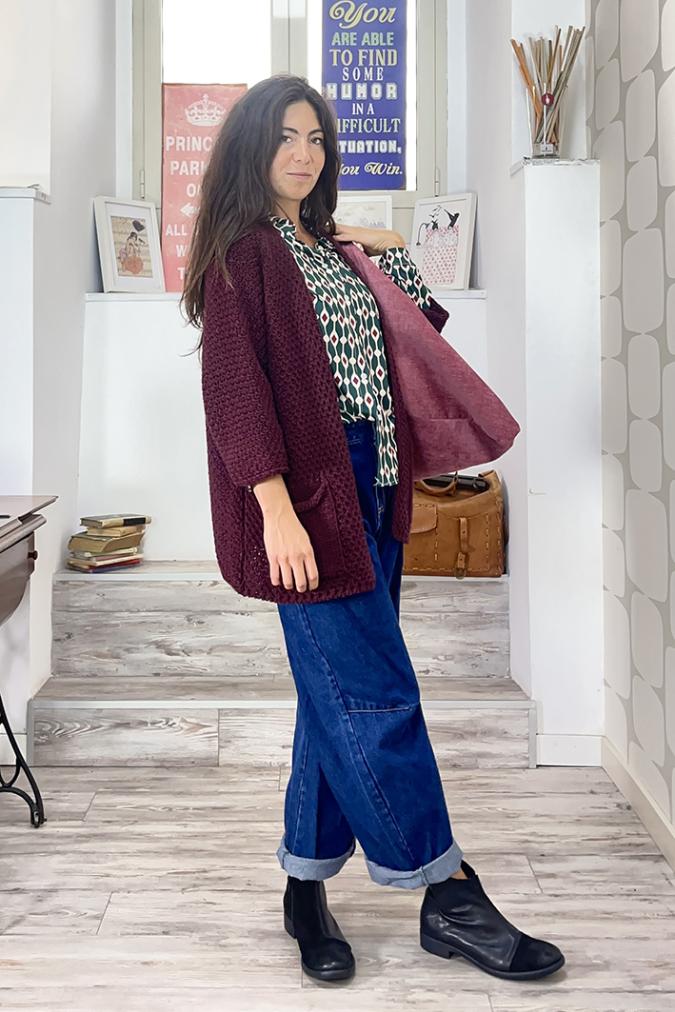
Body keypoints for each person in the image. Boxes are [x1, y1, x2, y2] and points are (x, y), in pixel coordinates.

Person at [182, 74, 565, 985]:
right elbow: (235, 395)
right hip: (306, 493)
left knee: (339, 691)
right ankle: (448, 895)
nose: (302, 153)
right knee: (374, 694)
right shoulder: (242, 254)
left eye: (315, 138)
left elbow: (419, 327)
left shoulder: (329, 247)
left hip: (373, 478)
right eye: (285, 137)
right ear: (250, 147)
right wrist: (275, 510)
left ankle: (303, 884)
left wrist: (376, 244)